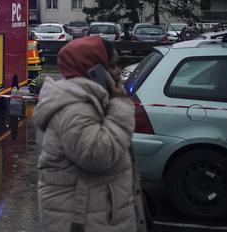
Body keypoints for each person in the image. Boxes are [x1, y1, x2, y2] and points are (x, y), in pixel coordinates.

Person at [33, 36, 147, 231]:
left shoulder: (92, 100)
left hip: (95, 216)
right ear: (93, 70)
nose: (118, 71)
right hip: (83, 221)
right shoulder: (74, 108)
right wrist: (121, 105)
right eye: (111, 66)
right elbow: (97, 155)